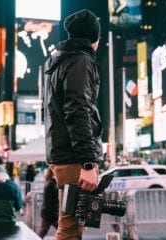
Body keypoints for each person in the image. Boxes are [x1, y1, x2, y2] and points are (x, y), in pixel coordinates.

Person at [43, 9, 103, 240]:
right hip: (73, 157)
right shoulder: (80, 60)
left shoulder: (61, 60)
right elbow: (78, 110)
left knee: (73, 225)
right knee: (70, 229)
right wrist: (88, 162)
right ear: (93, 38)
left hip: (64, 153)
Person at [38, 167, 59, 238]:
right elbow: (52, 202)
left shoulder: (50, 183)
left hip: (47, 213)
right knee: (63, 231)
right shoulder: (52, 185)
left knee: (42, 233)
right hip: (51, 214)